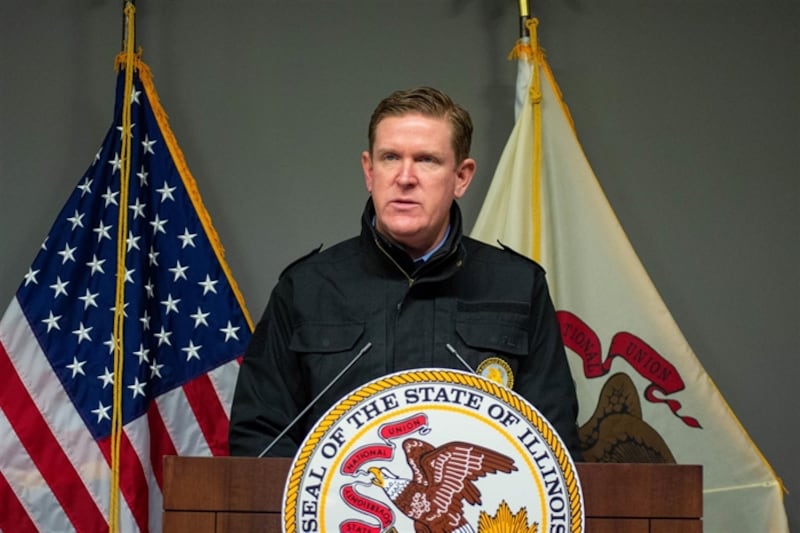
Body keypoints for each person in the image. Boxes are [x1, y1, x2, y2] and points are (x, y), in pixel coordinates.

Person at [229, 87, 582, 460]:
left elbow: (553, 445)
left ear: (462, 177)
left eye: (427, 160)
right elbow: (260, 438)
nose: (405, 177)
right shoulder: (306, 287)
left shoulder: (518, 286)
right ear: (369, 171)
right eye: (390, 157)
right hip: (338, 515)